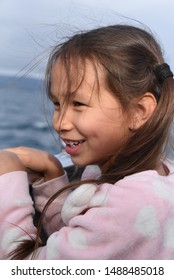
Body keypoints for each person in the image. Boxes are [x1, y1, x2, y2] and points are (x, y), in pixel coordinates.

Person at [0, 24, 174, 260]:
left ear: (139, 111)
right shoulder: (157, 172)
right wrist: (52, 174)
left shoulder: (130, 205)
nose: (60, 122)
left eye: (78, 104)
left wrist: (7, 179)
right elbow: (81, 241)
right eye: (57, 104)